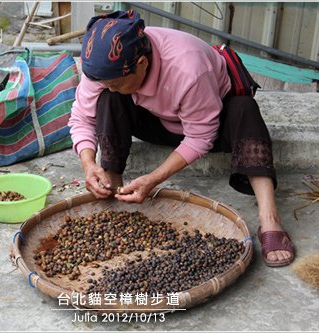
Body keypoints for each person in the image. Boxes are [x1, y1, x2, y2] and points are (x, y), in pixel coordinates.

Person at [68, 10, 295, 267]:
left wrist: (153, 179)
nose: (110, 85)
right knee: (109, 99)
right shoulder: (104, 68)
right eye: (105, 81)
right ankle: (112, 185)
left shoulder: (188, 67)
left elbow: (200, 136)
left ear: (142, 63)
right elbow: (82, 118)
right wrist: (89, 164)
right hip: (155, 120)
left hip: (211, 121)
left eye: (117, 82)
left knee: (245, 110)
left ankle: (270, 217)